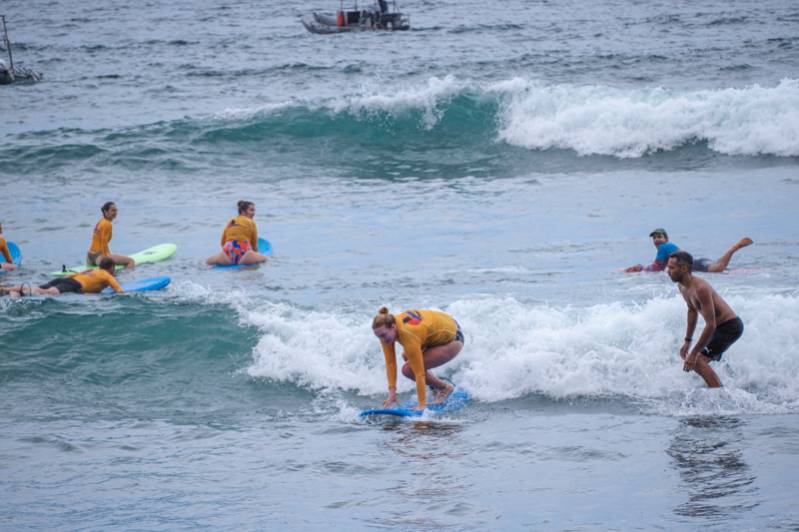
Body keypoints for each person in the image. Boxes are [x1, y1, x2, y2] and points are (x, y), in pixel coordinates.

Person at [666, 251, 744, 388]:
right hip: (719, 328)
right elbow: (692, 310)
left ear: (684, 268)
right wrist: (687, 341)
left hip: (730, 327)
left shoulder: (701, 288)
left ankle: (720, 395)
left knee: (697, 361)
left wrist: (694, 353)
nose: (668, 271)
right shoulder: (682, 286)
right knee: (702, 360)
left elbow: (711, 324)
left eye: (672, 268)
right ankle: (729, 383)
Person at [371, 306, 464, 411]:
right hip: (438, 331)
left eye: (383, 335)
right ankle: (435, 385)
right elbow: (391, 363)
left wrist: (421, 405)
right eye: (378, 336)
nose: (381, 340)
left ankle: (445, 388)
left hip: (454, 337)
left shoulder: (408, 333)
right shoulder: (386, 330)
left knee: (408, 370)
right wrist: (391, 396)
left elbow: (418, 373)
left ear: (393, 327)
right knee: (406, 356)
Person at [625, 228, 752, 273]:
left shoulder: (663, 247)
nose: (656, 240)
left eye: (659, 237)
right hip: (697, 262)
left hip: (694, 265)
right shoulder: (669, 248)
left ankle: (733, 248)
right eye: (654, 238)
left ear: (666, 239)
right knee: (725, 270)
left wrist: (641, 269)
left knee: (719, 268)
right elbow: (663, 266)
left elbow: (657, 267)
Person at [1, 257, 123, 297]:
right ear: (111, 267)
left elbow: (74, 275)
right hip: (74, 284)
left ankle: (7, 289)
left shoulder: (92, 270)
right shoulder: (107, 275)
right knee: (46, 292)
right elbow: (119, 291)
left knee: (40, 287)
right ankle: (22, 292)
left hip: (67, 280)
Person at [206, 200, 269, 266]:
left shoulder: (231, 221)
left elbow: (222, 242)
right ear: (243, 211)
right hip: (244, 253)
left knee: (207, 262)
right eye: (251, 210)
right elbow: (254, 245)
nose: (254, 213)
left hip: (228, 253)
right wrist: (256, 256)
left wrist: (230, 252)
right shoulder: (251, 222)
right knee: (267, 260)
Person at [87, 202, 135, 270]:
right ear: (105, 211)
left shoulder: (101, 221)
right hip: (99, 256)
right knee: (131, 261)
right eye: (112, 210)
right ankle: (126, 277)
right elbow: (103, 241)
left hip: (90, 256)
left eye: (116, 210)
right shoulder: (107, 224)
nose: (115, 212)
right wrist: (107, 260)